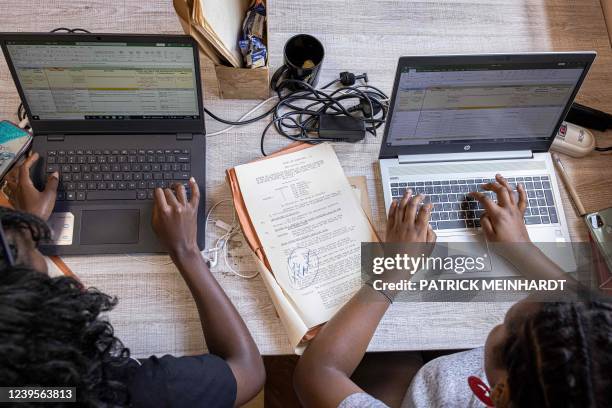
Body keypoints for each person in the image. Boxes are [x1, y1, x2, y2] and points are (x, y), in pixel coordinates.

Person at [294, 174, 612, 408]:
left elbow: (318, 374)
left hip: (418, 391)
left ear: (498, 391)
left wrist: (394, 271)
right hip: (443, 374)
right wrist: (521, 250)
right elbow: (578, 308)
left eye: (507, 323)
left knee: (390, 344)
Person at [0, 152, 265, 407]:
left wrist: (27, 228)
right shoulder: (126, 389)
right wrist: (185, 251)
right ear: (34, 308)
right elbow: (248, 372)